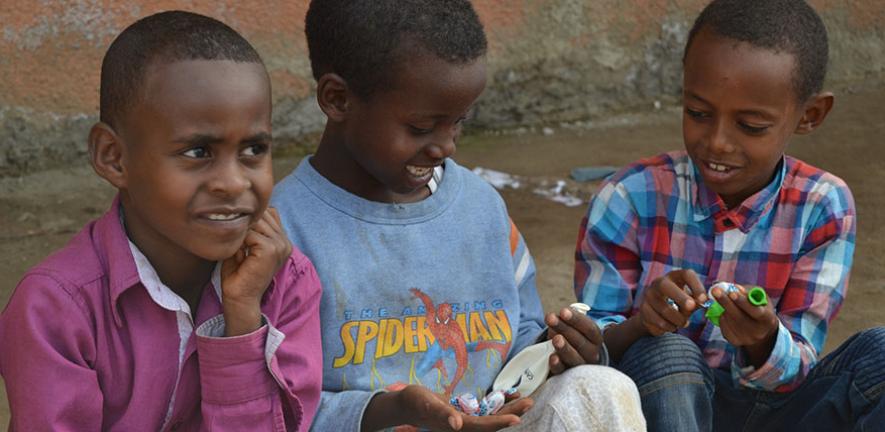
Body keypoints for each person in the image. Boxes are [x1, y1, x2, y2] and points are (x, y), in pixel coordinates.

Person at [271, 1, 646, 431]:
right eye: (421, 127)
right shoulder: (285, 232)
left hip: (495, 421)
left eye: (458, 122)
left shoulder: (479, 207)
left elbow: (515, 337)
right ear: (338, 99)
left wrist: (554, 351)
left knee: (599, 387)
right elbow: (273, 408)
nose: (446, 146)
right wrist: (391, 411)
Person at [0, 11, 323, 431]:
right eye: (197, 152)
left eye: (254, 149)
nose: (233, 182)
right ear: (113, 157)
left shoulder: (286, 283)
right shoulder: (57, 310)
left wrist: (241, 320)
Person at [574, 0, 885, 430]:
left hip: (776, 413)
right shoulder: (628, 197)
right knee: (669, 351)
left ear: (810, 115)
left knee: (881, 354)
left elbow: (800, 362)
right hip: (658, 406)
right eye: (698, 113)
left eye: (751, 126)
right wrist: (643, 325)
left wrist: (762, 340)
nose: (718, 142)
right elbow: (587, 356)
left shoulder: (823, 205)